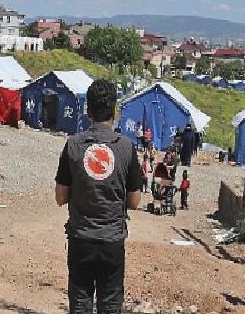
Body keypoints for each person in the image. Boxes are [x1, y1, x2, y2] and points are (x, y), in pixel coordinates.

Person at [55, 79, 142, 314]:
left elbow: (60, 197)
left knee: (81, 301)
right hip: (112, 241)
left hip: (80, 238)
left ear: (88, 111)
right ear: (114, 110)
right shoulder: (126, 147)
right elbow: (134, 202)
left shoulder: (73, 145)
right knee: (111, 304)